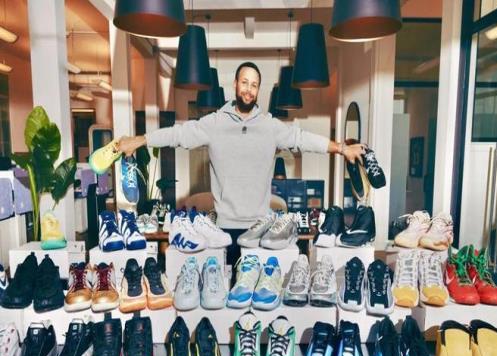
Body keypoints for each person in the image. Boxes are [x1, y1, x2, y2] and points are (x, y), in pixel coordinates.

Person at [117, 61, 365, 268]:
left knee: (258, 298)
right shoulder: (214, 123)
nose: (248, 89)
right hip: (223, 230)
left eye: (254, 85)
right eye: (245, 82)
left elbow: (302, 139)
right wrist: (140, 140)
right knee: (224, 298)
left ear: (258, 90)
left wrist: (342, 148)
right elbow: (177, 135)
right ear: (235, 84)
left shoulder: (270, 126)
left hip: (261, 229)